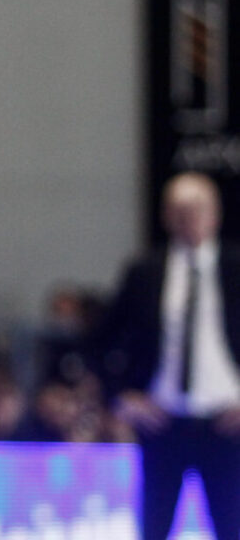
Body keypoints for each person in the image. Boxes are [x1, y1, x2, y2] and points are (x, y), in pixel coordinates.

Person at [101, 171, 240, 540]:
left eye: (197, 208)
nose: (188, 218)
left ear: (215, 214)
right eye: (179, 209)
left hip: (227, 423)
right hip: (163, 422)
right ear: (165, 216)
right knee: (155, 526)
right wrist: (121, 396)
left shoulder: (234, 267)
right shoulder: (145, 272)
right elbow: (100, 339)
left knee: (232, 526)